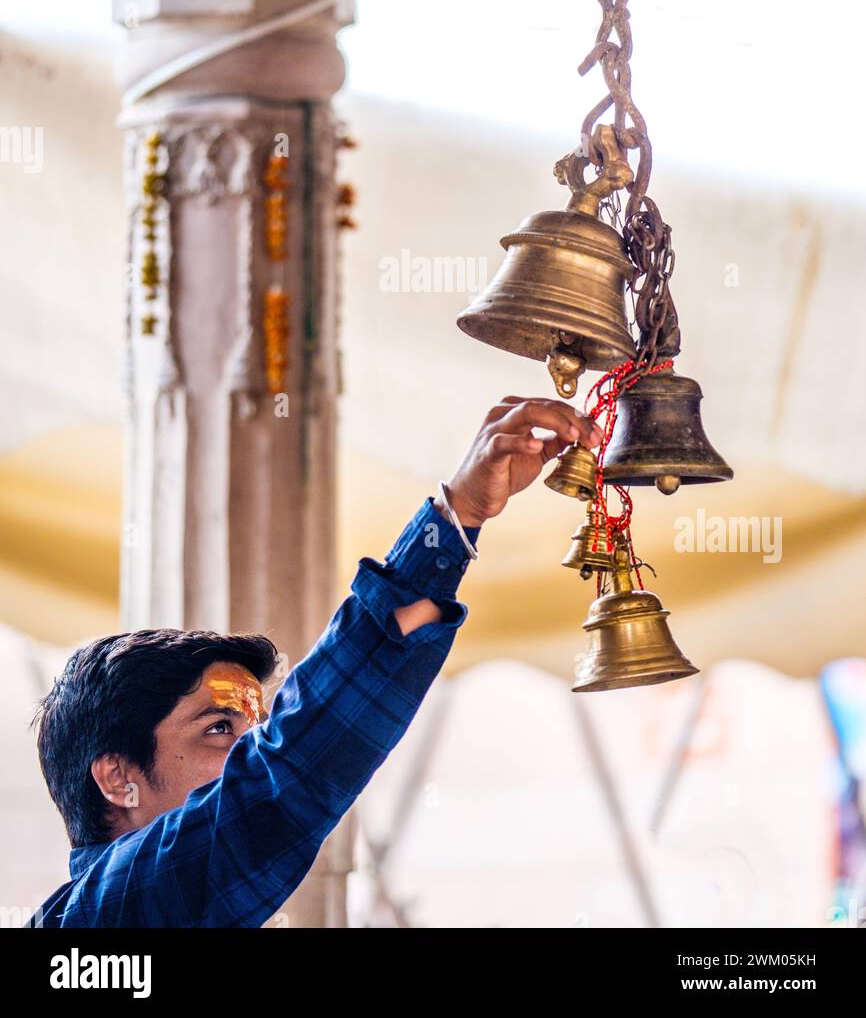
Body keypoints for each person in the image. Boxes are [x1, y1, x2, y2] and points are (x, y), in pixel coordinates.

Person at [29, 396, 601, 928]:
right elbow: (287, 770)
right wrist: (453, 520)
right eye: (219, 728)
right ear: (119, 778)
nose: (252, 748)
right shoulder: (111, 909)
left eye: (256, 727)